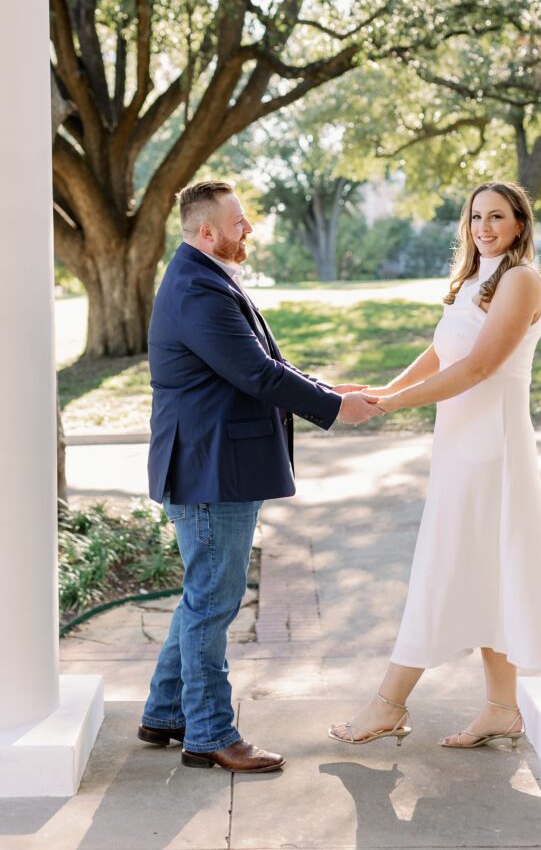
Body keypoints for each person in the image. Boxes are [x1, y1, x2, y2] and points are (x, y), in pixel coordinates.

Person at [138, 180, 381, 774]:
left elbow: (262, 363)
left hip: (214, 462)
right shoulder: (198, 288)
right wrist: (332, 409)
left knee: (204, 596)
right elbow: (256, 374)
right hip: (211, 470)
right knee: (212, 606)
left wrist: (326, 390)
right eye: (239, 221)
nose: (248, 229)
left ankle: (167, 713)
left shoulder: (205, 276)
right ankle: (210, 735)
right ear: (207, 232)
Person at [329, 181, 541, 750]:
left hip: (494, 448)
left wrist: (389, 405)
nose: (485, 226)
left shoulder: (520, 279)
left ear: (519, 224)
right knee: (487, 567)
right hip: (460, 444)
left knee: (447, 565)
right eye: (476, 216)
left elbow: (480, 367)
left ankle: (388, 703)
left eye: (498, 217)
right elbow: (443, 352)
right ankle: (503, 708)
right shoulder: (473, 282)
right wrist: (384, 387)